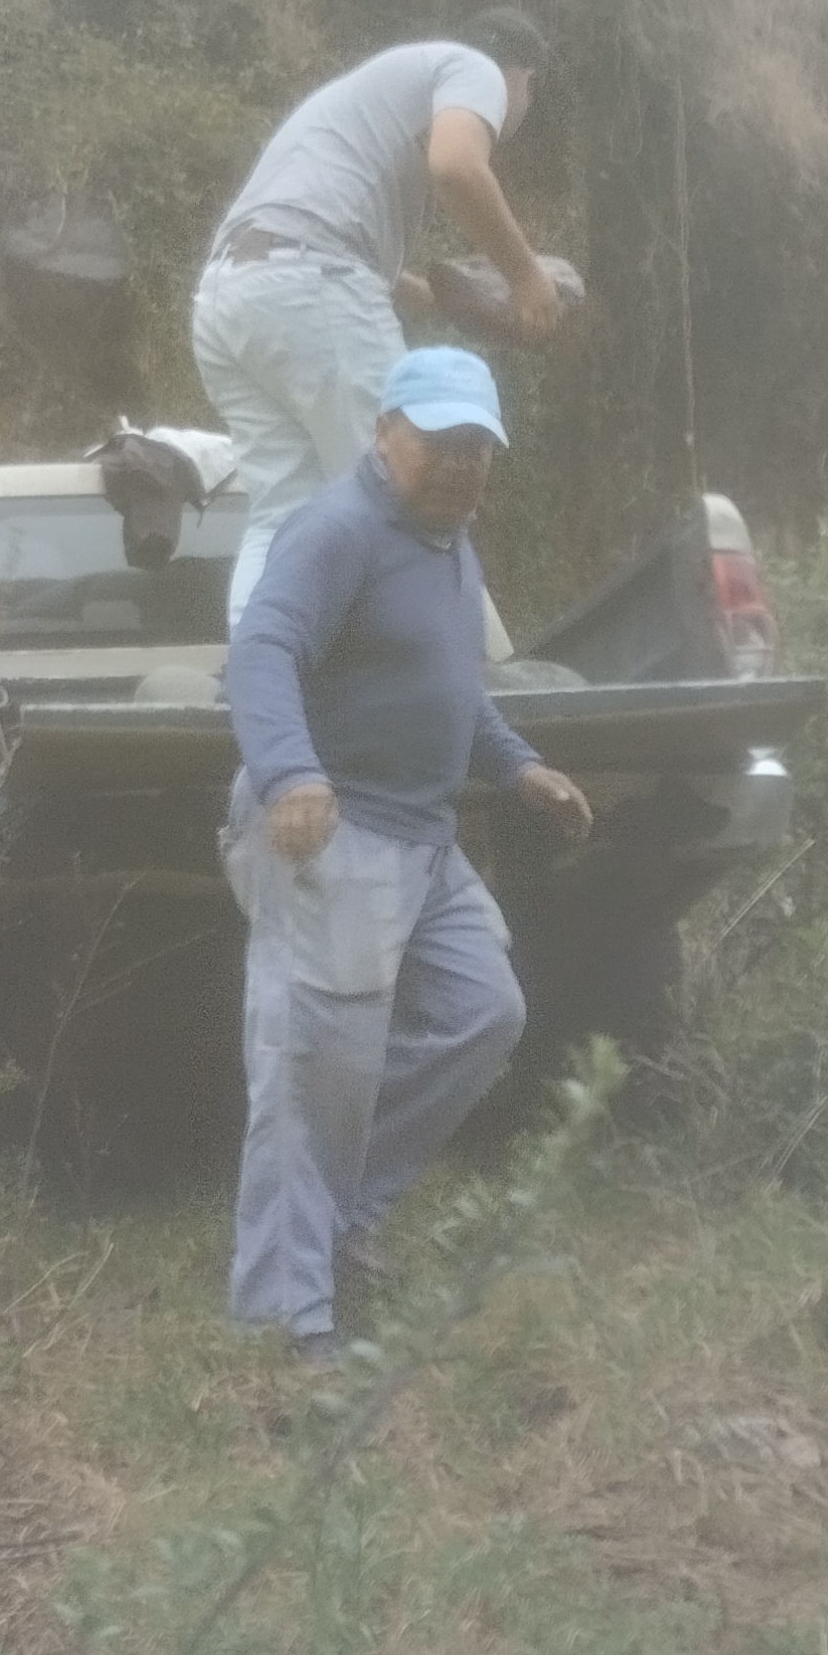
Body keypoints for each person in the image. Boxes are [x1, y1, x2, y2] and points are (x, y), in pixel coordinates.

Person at [221, 345, 593, 1363]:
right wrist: (292, 773)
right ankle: (287, 1314)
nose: (461, 465)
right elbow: (261, 650)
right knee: (312, 1076)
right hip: (332, 833)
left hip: (423, 841)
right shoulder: (338, 530)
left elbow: (452, 685)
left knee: (484, 1013)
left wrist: (517, 766)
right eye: (441, 442)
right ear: (387, 433)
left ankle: (338, 1219)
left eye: (478, 446)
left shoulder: (450, 543)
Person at [194, 11, 568, 621]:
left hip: (230, 295)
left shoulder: (383, 91)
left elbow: (317, 234)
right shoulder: (474, 69)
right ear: (525, 77)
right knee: (413, 486)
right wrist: (527, 277)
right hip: (310, 283)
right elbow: (457, 167)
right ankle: (457, 669)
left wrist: (431, 296)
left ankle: (259, 667)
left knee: (283, 513)